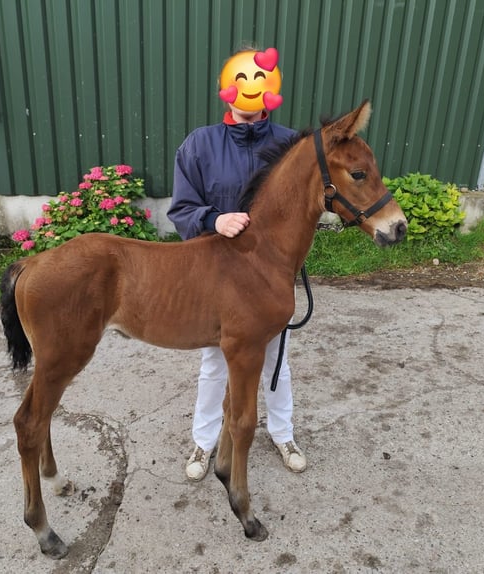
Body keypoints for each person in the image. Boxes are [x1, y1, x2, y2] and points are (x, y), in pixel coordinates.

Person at [167, 47, 307, 481]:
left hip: (269, 277)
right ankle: (204, 441)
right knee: (214, 362)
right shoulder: (200, 144)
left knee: (275, 361)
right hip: (220, 276)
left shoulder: (291, 146)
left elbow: (306, 204)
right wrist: (213, 218)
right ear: (226, 91)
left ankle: (282, 433)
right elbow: (182, 208)